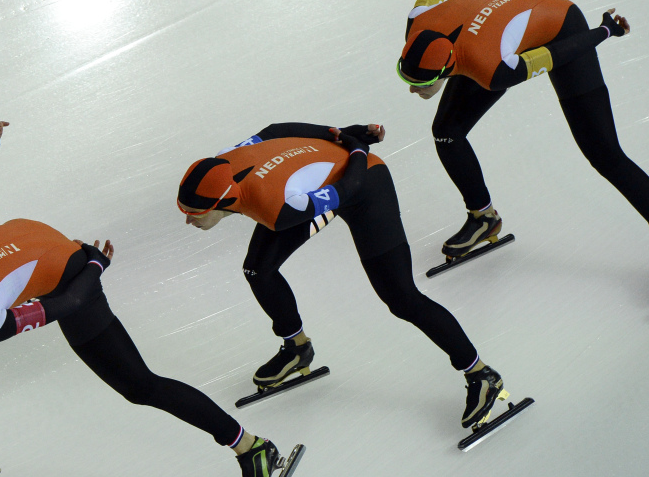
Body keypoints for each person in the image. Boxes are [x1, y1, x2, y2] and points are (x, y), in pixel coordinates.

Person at [0, 121, 280, 477]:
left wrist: (93, 264)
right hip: (23, 238)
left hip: (68, 270)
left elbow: (67, 303)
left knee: (140, 386)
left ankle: (251, 447)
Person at [397, 0, 649, 298]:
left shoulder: (490, 67)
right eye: (407, 78)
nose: (413, 90)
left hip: (560, 26)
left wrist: (602, 32)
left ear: (446, 67)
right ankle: (483, 217)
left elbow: (554, 55)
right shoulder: (417, 21)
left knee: (604, 154)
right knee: (447, 132)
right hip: (501, 24)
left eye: (422, 83)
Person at [177, 122, 508, 430]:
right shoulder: (222, 162)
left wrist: (356, 149)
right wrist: (337, 133)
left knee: (402, 299)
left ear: (223, 201)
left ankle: (480, 373)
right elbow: (274, 131)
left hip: (365, 185)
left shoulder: (273, 209)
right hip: (319, 180)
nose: (189, 222)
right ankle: (297, 349)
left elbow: (348, 190)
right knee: (258, 270)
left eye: (195, 214)